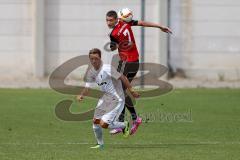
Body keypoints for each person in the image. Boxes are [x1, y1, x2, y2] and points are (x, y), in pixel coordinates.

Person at [106, 10, 172, 135]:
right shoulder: (126, 22)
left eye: (110, 20)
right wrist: (160, 26)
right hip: (132, 62)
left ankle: (132, 120)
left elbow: (113, 48)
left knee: (120, 91)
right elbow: (142, 23)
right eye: (107, 20)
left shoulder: (113, 33)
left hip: (129, 63)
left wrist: (113, 45)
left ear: (116, 19)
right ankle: (125, 122)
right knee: (120, 92)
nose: (108, 22)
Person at [76, 48, 139, 149]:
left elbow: (123, 77)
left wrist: (131, 90)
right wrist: (82, 95)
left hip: (116, 98)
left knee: (104, 124)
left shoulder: (107, 68)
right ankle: (100, 144)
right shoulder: (91, 72)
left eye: (96, 58)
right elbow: (87, 87)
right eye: (91, 59)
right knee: (95, 121)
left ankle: (124, 125)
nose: (94, 61)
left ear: (100, 58)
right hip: (105, 97)